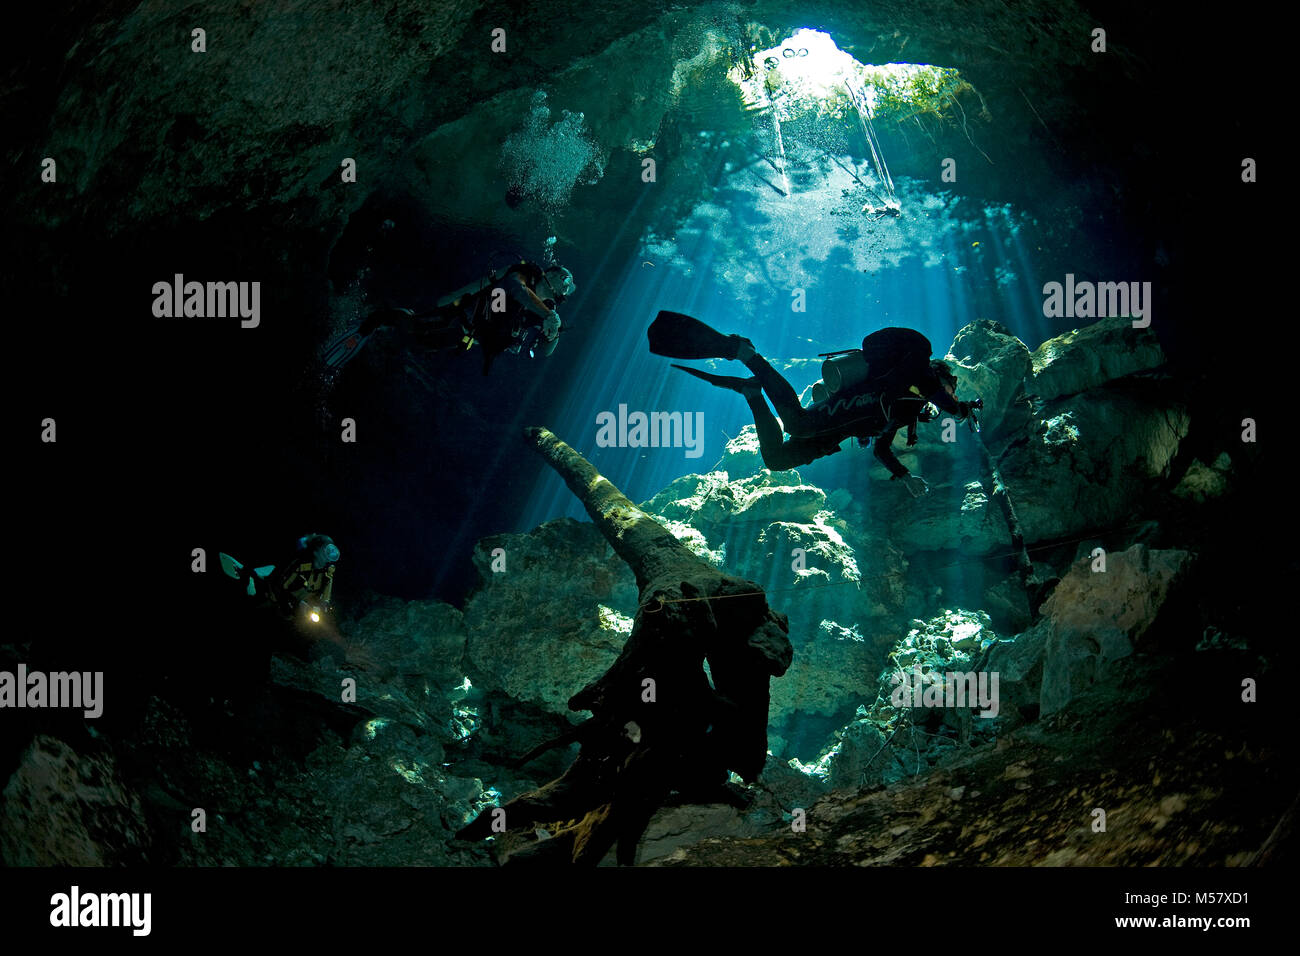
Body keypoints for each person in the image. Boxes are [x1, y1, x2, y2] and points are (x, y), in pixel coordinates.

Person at [648, 313, 979, 496]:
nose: (949, 392)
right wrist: (960, 407)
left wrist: (905, 476)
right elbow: (936, 391)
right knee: (796, 423)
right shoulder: (917, 371)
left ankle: (752, 392)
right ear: (941, 377)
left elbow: (881, 449)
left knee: (776, 460)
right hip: (845, 411)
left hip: (835, 434)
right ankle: (748, 355)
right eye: (952, 385)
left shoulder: (909, 405)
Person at [324, 261, 575, 374]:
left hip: (465, 337)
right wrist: (549, 314)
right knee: (413, 327)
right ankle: (372, 321)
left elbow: (545, 352)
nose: (566, 287)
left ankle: (380, 326)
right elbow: (515, 289)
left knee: (416, 344)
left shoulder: (544, 313)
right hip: (457, 316)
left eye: (568, 286)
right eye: (564, 279)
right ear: (548, 273)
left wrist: (553, 332)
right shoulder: (525, 273)